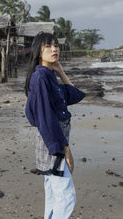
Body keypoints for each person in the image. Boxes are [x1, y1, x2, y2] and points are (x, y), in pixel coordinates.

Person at [25, 32, 85, 219]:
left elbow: (74, 95)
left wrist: (60, 70)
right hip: (53, 143)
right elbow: (46, 118)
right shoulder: (41, 78)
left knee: (53, 195)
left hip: (52, 141)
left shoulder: (48, 75)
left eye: (56, 45)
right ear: (38, 51)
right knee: (67, 198)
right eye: (48, 46)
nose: (54, 49)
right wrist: (66, 150)